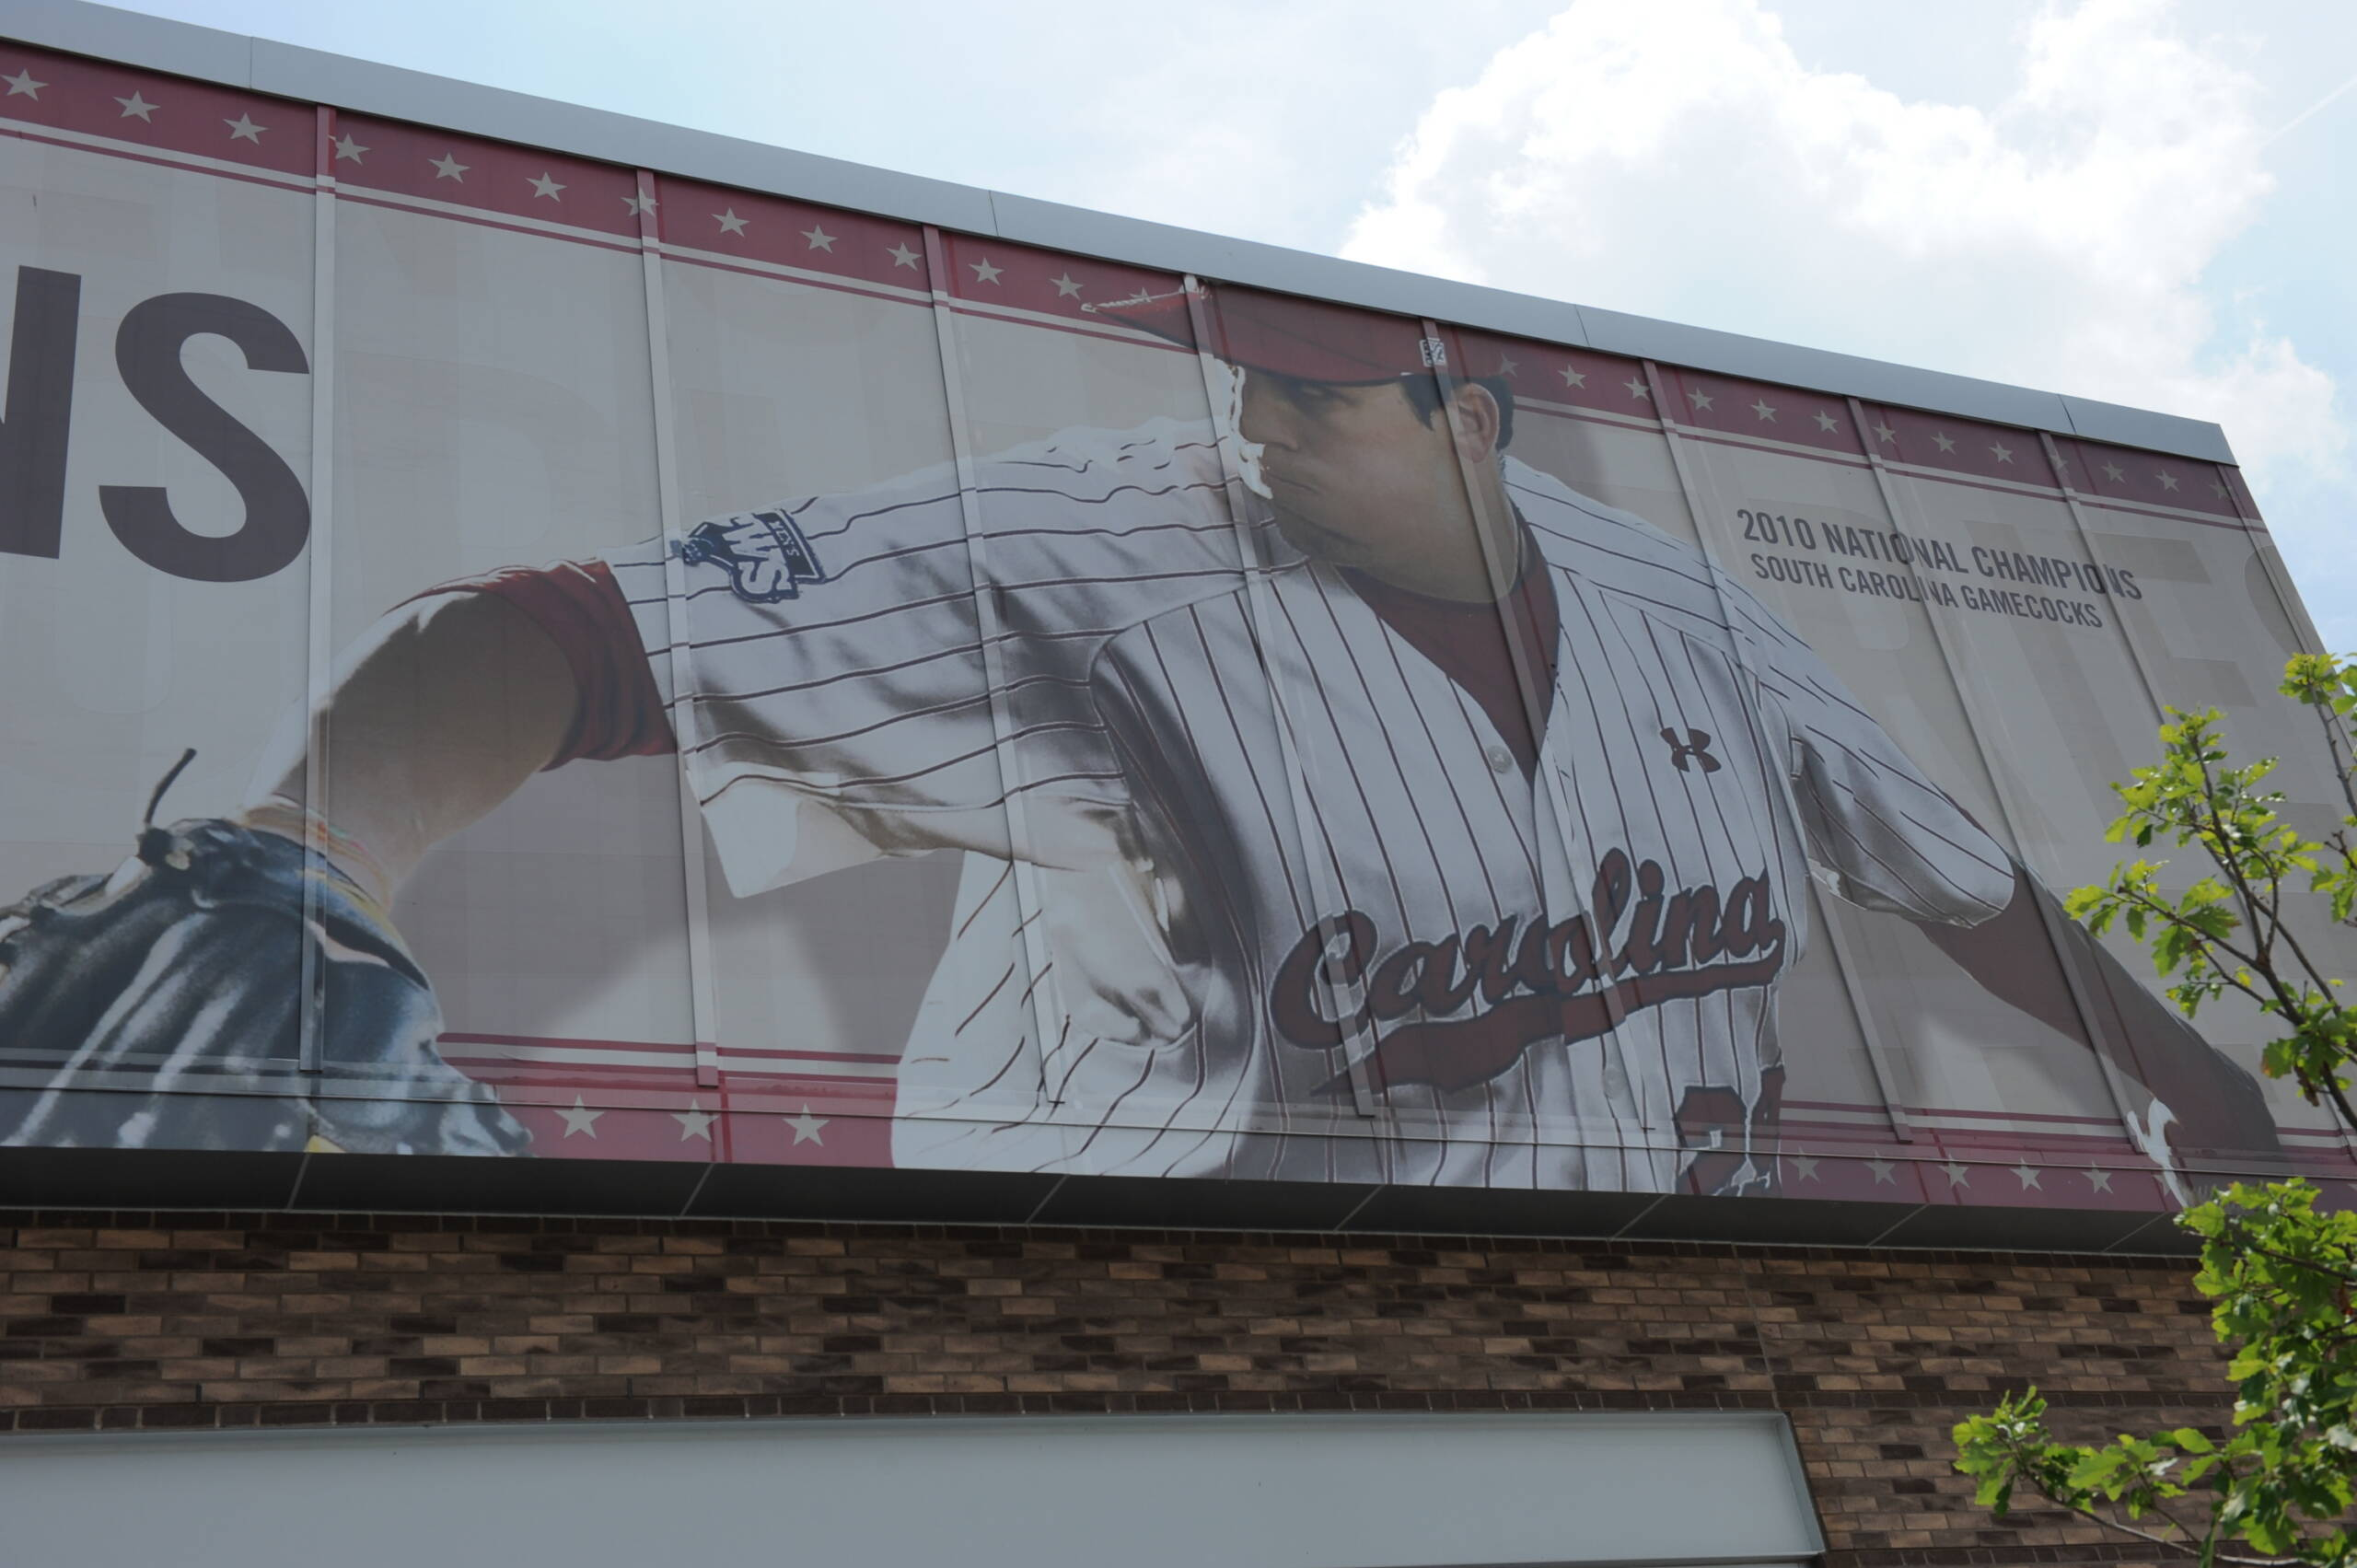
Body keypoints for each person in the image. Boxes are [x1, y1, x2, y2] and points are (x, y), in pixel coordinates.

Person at [0, 284, 2280, 1192]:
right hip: (1120, 1302)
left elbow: (1964, 883)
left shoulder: (1693, 602)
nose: (1248, 408)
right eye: (1237, 372)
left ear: (1464, 418)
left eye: (1302, 382)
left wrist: (2209, 1096)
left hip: (1681, 1314)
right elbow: (575, 635)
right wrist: (310, 844)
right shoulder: (1092, 542)